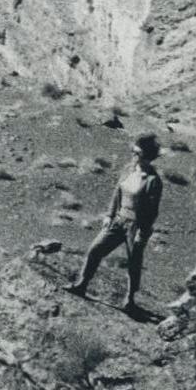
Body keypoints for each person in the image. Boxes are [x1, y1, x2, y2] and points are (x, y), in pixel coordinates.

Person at [71, 131, 165, 313]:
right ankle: (82, 284)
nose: (133, 155)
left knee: (133, 263)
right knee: (95, 250)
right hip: (118, 221)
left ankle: (129, 301)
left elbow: (152, 211)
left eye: (137, 153)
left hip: (135, 226)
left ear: (146, 156)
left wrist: (142, 233)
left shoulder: (154, 181)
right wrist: (109, 215)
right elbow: (117, 193)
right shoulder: (128, 169)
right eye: (133, 151)